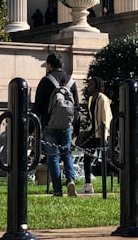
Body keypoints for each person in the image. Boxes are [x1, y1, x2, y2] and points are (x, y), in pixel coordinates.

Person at [33, 52, 79, 196]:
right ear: (62, 65)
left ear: (49, 65)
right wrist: (76, 128)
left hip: (49, 125)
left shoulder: (46, 81)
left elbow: (38, 106)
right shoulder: (71, 81)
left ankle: (58, 190)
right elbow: (77, 107)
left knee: (53, 156)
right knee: (67, 154)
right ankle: (70, 180)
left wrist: (31, 128)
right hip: (67, 125)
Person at [79, 76, 112, 194]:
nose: (89, 86)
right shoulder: (91, 99)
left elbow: (106, 117)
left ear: (97, 86)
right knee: (87, 158)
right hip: (92, 132)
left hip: (100, 133)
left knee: (105, 160)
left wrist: (104, 135)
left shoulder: (102, 99)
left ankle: (118, 178)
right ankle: (88, 185)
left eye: (91, 84)